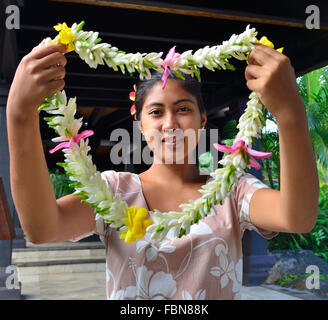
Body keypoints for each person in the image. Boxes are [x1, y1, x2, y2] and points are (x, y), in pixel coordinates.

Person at [6, 40, 319, 300]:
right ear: (141, 126)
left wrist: (289, 111)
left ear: (202, 120)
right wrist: (19, 114)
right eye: (156, 112)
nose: (170, 123)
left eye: (183, 109)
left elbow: (298, 217)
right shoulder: (113, 191)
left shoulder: (233, 189)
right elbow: (42, 228)